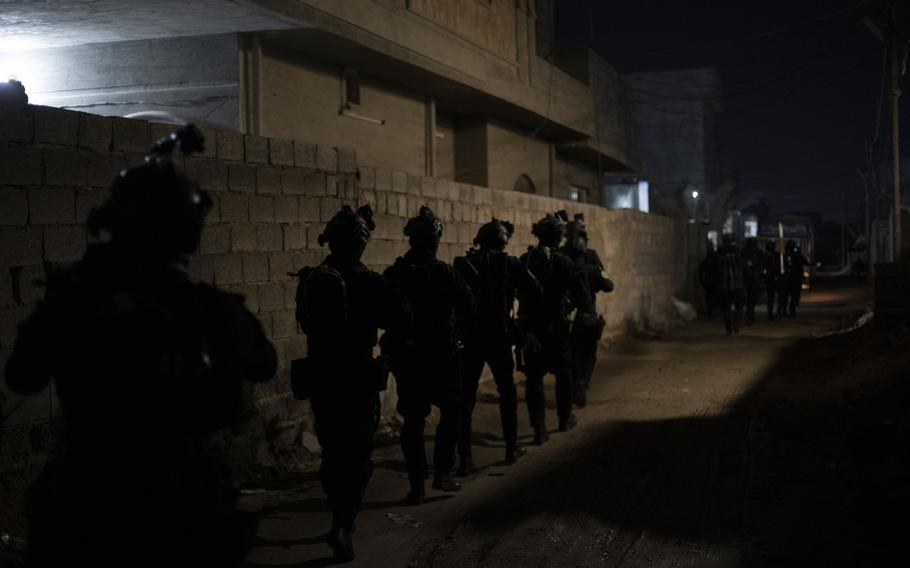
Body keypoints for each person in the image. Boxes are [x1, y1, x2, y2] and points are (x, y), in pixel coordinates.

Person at [5, 126, 277, 568]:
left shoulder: (78, 302)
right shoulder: (209, 309)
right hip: (184, 507)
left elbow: (22, 374)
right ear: (189, 232)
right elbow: (264, 364)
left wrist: (65, 303)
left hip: (91, 507)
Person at [292, 204, 410, 562]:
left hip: (323, 378)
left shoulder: (312, 279)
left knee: (332, 451)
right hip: (358, 379)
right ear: (360, 244)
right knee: (358, 454)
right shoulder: (372, 282)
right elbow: (403, 321)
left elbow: (305, 324)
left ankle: (338, 517)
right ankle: (344, 522)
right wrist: (386, 356)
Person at [383, 206, 466, 504]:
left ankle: (417, 486)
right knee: (451, 412)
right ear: (435, 240)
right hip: (442, 358)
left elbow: (383, 316)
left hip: (409, 360)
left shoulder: (394, 273)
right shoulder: (444, 272)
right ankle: (443, 474)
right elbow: (469, 306)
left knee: (413, 421)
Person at [454, 218, 538, 474]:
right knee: (507, 392)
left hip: (471, 339)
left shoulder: (466, 263)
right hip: (499, 338)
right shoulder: (509, 263)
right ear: (502, 242)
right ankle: (511, 448)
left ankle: (465, 460)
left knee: (465, 398)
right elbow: (534, 289)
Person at [518, 211, 581, 440]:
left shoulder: (526, 259)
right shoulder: (564, 261)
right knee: (563, 373)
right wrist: (567, 309)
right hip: (557, 328)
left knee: (534, 378)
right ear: (559, 237)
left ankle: (539, 429)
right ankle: (564, 419)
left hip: (532, 329)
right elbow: (579, 294)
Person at [559, 213, 613, 408]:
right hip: (587, 315)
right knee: (588, 354)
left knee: (570, 355)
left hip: (565, 316)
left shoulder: (560, 255)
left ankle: (574, 386)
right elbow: (608, 284)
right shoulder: (591, 257)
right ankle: (582, 382)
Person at [717, 234, 745, 336]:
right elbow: (741, 265)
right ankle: (736, 325)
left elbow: (717, 267)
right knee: (738, 307)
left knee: (726, 308)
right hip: (736, 284)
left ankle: (729, 328)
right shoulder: (736, 251)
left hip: (724, 285)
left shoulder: (720, 252)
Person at [779, 240, 809, 317]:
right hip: (792, 280)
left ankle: (786, 311)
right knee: (792, 296)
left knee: (787, 296)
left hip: (788, 280)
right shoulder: (784, 256)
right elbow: (806, 263)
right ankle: (789, 311)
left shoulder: (784, 256)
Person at [740, 237, 764, 325]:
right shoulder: (756, 251)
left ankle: (749, 314)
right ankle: (749, 314)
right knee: (751, 298)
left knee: (750, 298)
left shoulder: (746, 251)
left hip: (749, 278)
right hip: (751, 278)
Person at [698, 245, 720, 318]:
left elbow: (701, 272)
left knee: (710, 297)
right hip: (711, 283)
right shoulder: (712, 262)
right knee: (711, 297)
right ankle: (711, 312)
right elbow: (701, 272)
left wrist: (702, 282)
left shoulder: (708, 262)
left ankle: (711, 312)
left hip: (711, 282)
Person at [762, 240, 781, 321]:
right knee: (771, 297)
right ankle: (771, 313)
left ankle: (777, 311)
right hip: (769, 279)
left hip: (775, 278)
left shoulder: (776, 255)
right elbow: (762, 267)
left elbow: (780, 266)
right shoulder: (765, 255)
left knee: (777, 296)